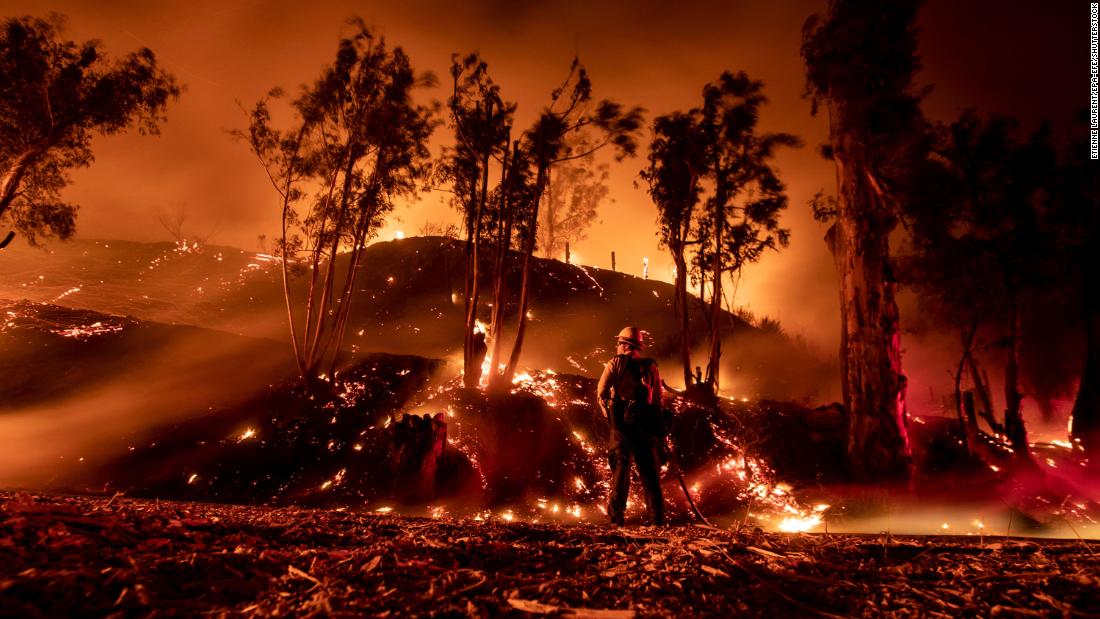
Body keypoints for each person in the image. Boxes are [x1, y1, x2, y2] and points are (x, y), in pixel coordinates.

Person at [596, 326, 665, 526]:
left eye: (619, 343)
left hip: (622, 426)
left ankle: (615, 519)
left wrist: (611, 419)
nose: (616, 346)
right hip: (645, 426)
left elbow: (601, 393)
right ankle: (657, 519)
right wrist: (655, 427)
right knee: (649, 473)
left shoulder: (615, 363)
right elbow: (659, 399)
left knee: (620, 471)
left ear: (625, 344)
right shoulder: (651, 366)